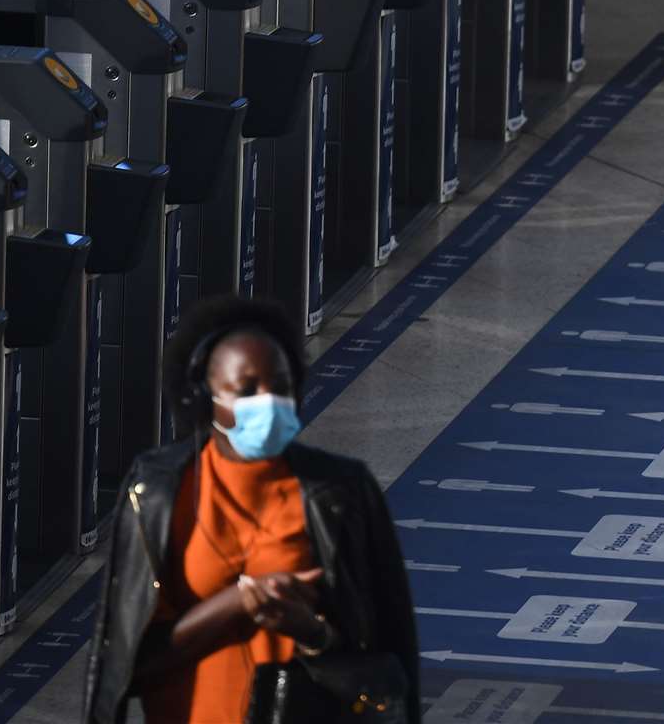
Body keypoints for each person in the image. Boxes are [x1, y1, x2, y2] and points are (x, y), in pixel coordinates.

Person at [83, 295, 419, 722]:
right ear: (205, 400)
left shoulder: (339, 491)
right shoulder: (156, 492)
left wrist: (308, 630)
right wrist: (237, 603)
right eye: (246, 390)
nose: (268, 401)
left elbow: (389, 649)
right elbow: (128, 665)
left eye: (280, 386)